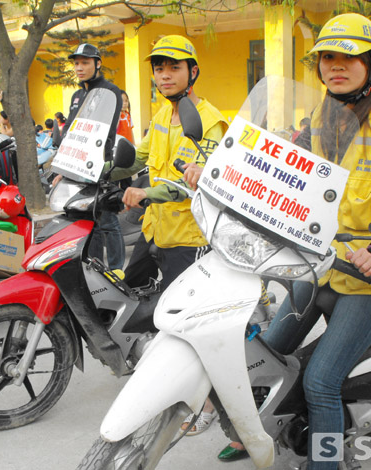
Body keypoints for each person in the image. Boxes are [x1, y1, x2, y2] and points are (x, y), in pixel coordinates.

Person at [216, 14, 371, 465]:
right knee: (267, 349)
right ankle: (256, 432)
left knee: (321, 381)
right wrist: (229, 182)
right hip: (319, 258)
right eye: (328, 57)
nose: (336, 65)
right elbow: (288, 171)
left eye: (349, 56)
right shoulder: (319, 112)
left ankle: (325, 461)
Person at [111, 34, 229, 434]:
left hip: (190, 236)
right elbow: (141, 156)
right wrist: (104, 167)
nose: (164, 74)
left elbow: (196, 179)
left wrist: (145, 191)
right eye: (159, 68)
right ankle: (158, 369)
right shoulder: (162, 115)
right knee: (131, 291)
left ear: (192, 71)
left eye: (173, 67)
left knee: (187, 323)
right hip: (156, 228)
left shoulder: (209, 119)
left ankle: (209, 406)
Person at [58, 43, 124, 270]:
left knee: (107, 220)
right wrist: (60, 168)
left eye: (85, 62)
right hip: (75, 167)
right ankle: (94, 267)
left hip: (99, 165)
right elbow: (70, 130)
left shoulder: (111, 91)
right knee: (87, 220)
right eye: (76, 63)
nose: (79, 67)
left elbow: (107, 130)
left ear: (98, 64)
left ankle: (116, 270)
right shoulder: (77, 95)